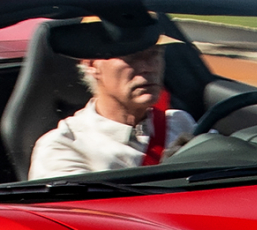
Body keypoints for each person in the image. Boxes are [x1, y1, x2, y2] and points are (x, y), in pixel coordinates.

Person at [29, 41, 196, 178]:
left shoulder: (181, 122)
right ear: (92, 65)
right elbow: (85, 216)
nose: (148, 68)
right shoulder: (62, 146)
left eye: (155, 53)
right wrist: (167, 173)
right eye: (131, 57)